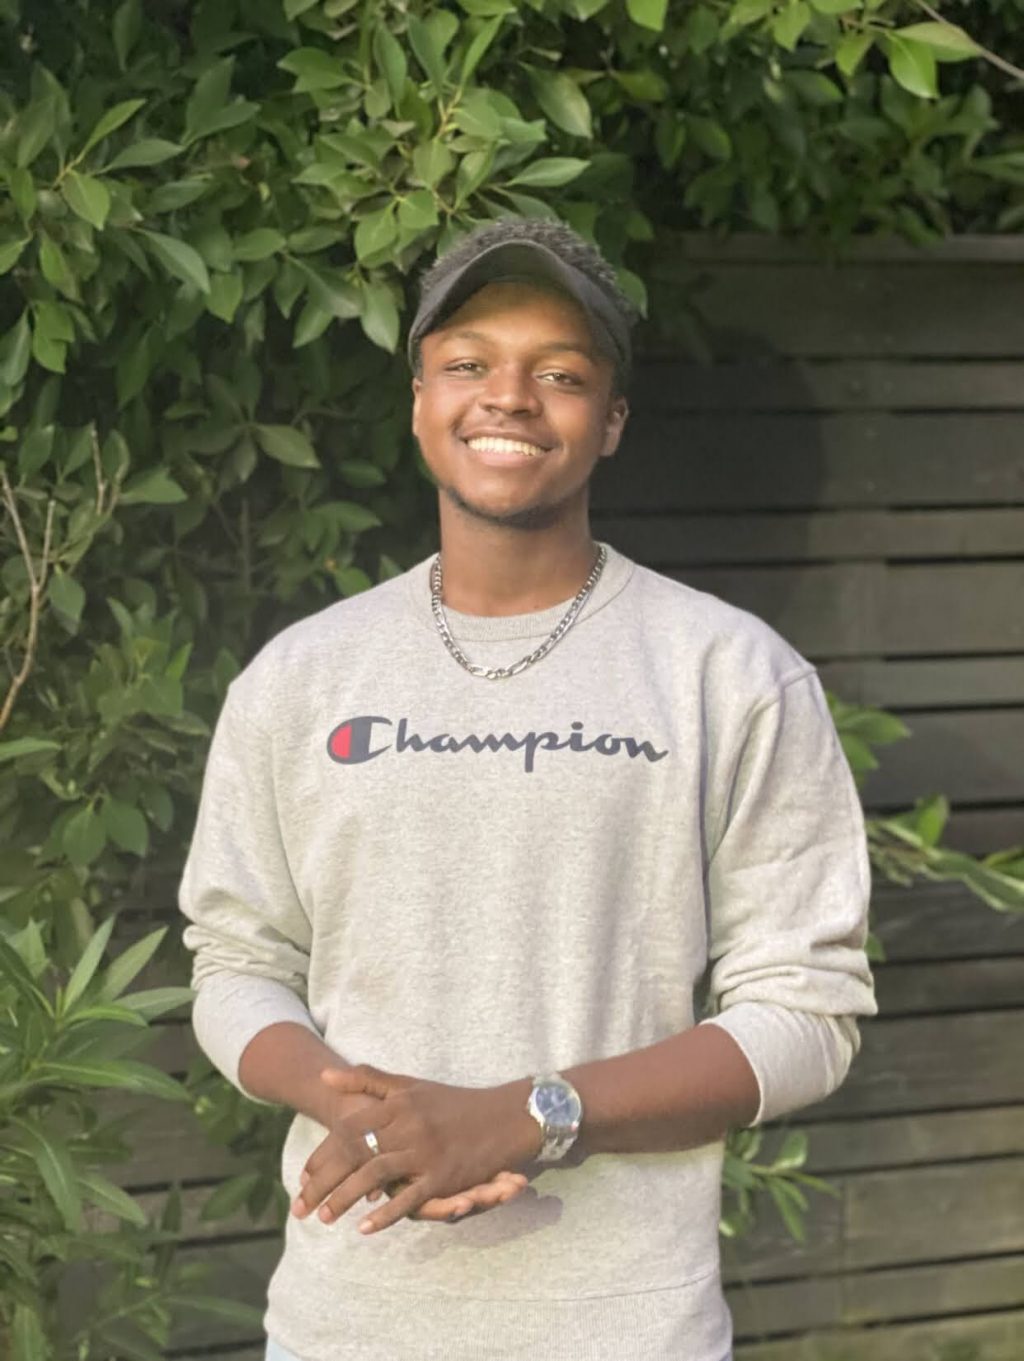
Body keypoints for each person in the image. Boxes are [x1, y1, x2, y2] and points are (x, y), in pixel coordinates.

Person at [178, 217, 877, 1361]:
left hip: (626, 1326)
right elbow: (236, 960)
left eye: (558, 373)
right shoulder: (301, 676)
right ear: (418, 403)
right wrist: (358, 1106)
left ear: (608, 422)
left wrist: (532, 1113)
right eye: (467, 364)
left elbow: (806, 1014)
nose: (506, 396)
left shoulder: (728, 672)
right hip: (345, 1323)